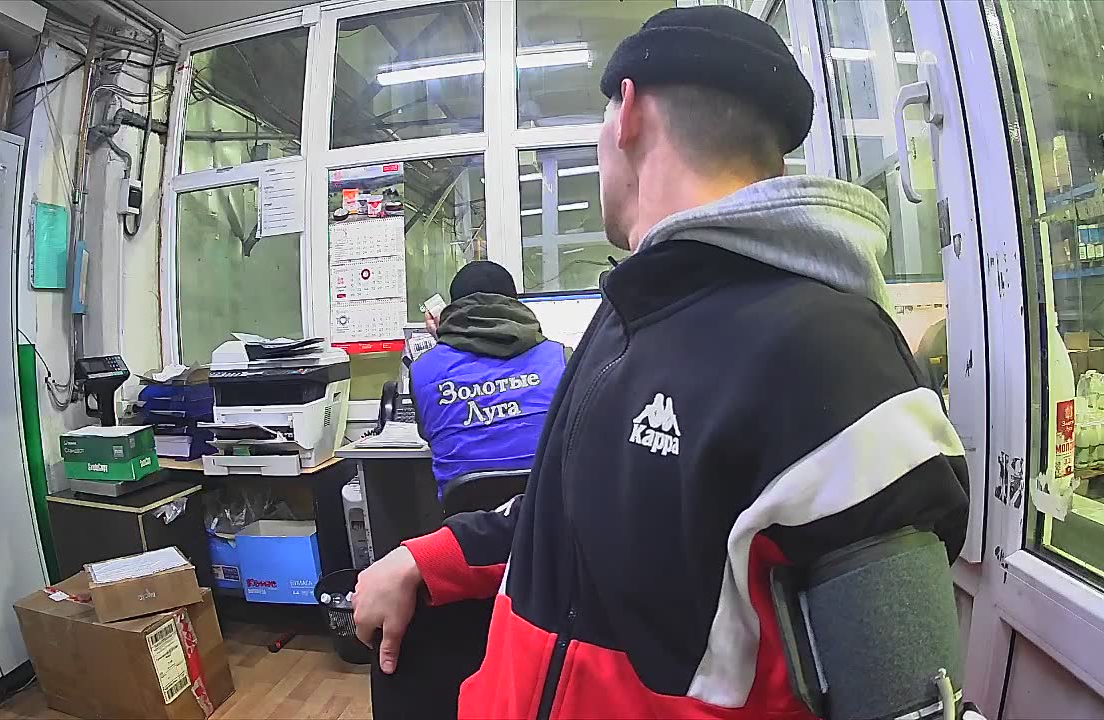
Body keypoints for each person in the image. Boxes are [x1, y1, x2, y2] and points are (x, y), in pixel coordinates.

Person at [355, 6, 969, 718]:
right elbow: (575, 521)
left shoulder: (833, 358)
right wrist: (426, 557)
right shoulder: (627, 321)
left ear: (628, 113)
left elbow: (906, 699)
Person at [410, 260, 568, 497]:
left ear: (453, 309)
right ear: (515, 304)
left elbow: (430, 432)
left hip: (467, 517)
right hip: (547, 514)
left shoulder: (422, 370)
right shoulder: (561, 358)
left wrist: (444, 339)